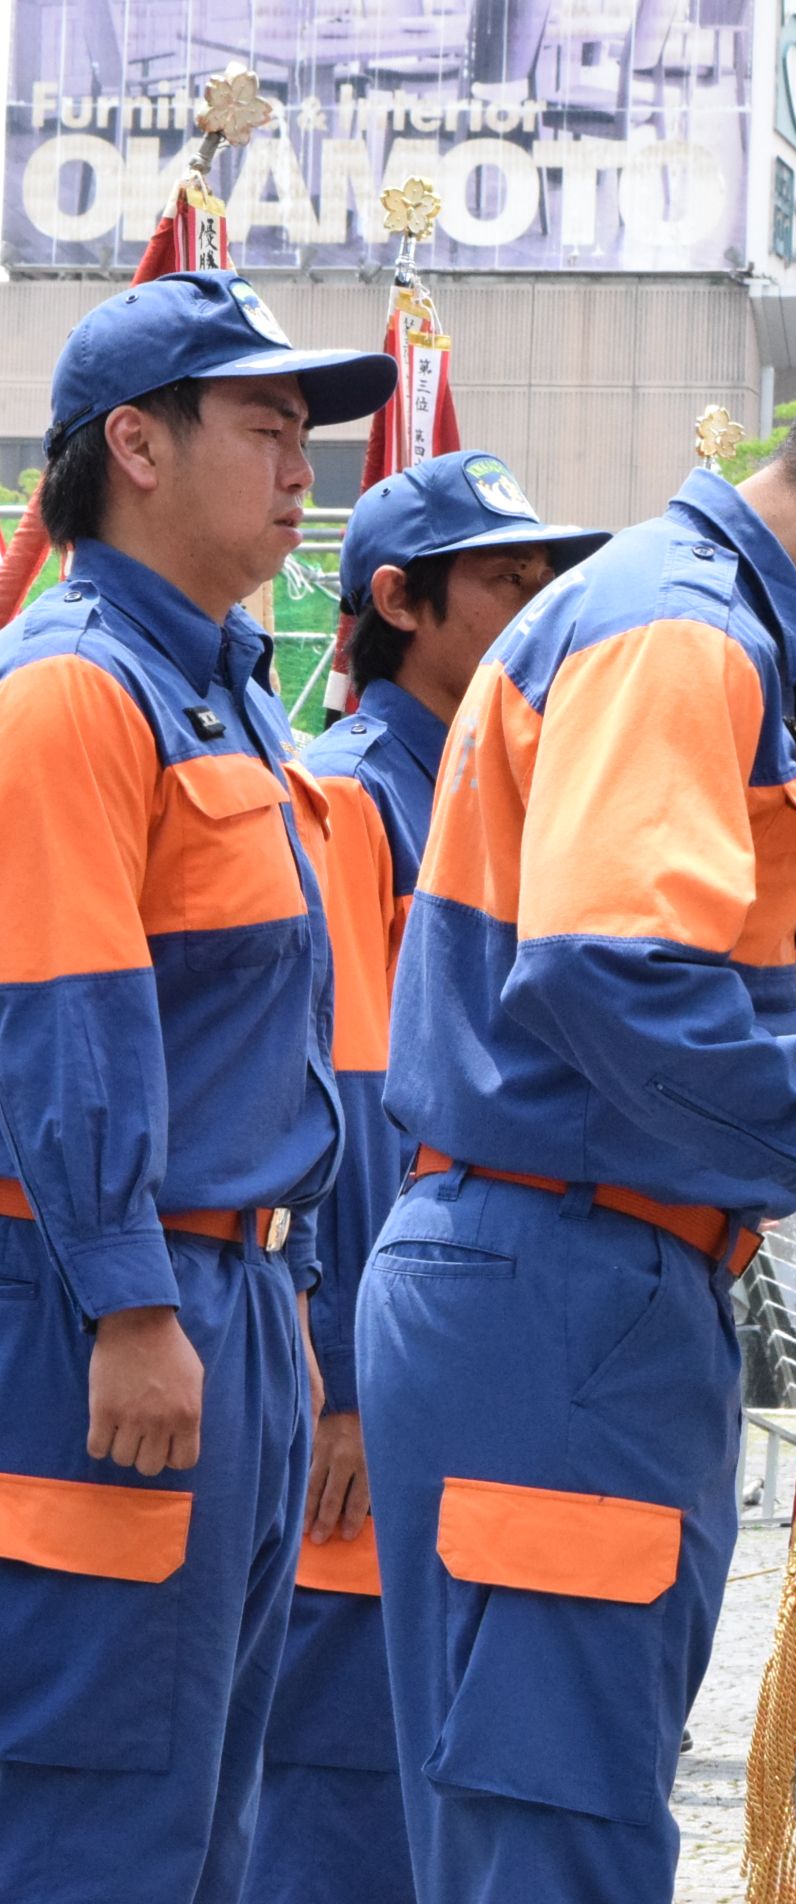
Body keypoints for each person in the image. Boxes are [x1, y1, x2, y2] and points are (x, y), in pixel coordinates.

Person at [354, 351, 796, 1900]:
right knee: (555, 1829)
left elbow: (698, 957)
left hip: (560, 1273)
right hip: (562, 1278)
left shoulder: (687, 621)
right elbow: (623, 989)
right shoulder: (683, 636)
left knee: (545, 1802)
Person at [0, 272, 395, 1903]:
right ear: (137, 451)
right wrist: (130, 1297)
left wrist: (282, 1314)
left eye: (309, 433)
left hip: (233, 1300)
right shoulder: (73, 689)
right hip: (106, 1306)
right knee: (91, 1804)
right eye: (266, 426)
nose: (304, 467)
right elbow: (61, 1012)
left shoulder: (221, 691)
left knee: (207, 1805)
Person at [242, 451, 608, 1904]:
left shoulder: (480, 787)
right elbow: (336, 1096)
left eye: (543, 581)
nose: (535, 608)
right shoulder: (347, 797)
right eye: (503, 582)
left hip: (463, 1341)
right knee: (336, 1790)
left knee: (429, 1762)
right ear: (400, 601)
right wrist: (339, 1381)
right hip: (372, 1358)